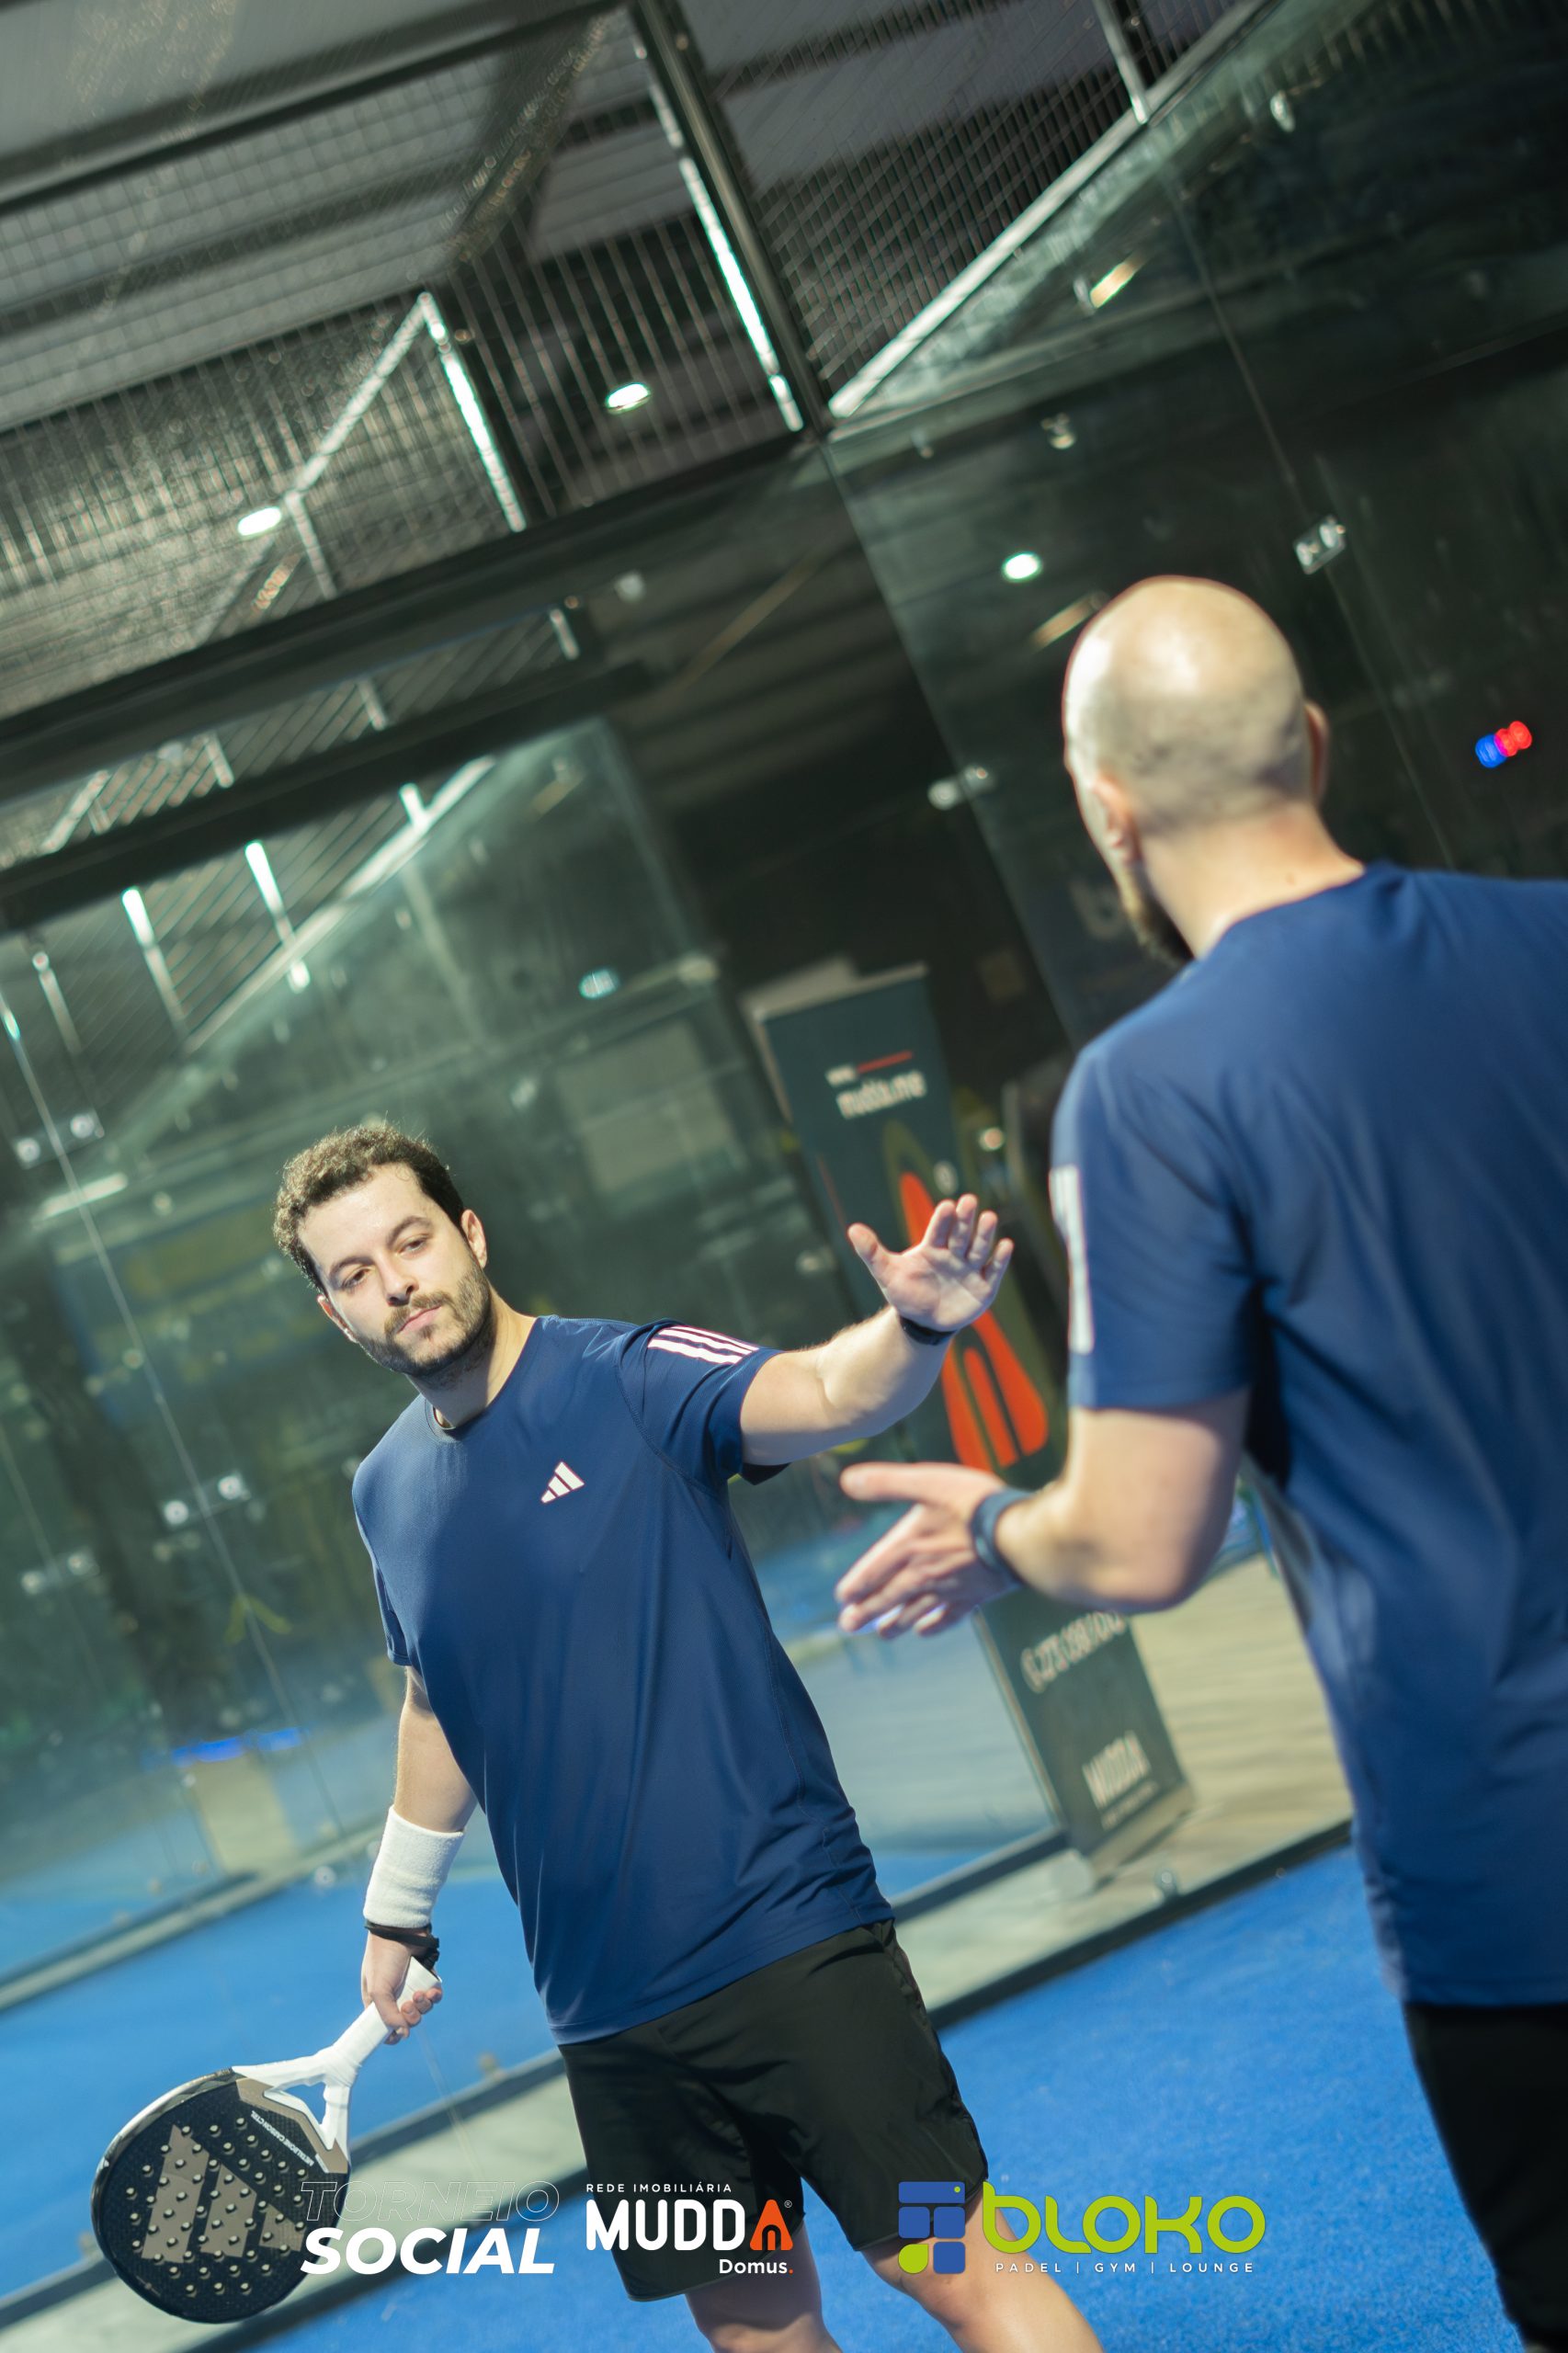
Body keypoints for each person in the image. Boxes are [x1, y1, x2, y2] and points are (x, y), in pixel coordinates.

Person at [833, 574, 1568, 2353]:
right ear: (1309, 742)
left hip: (1512, 1862)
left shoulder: (1151, 1091)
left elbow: (1140, 1537)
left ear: (1108, 813)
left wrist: (1000, 1525)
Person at [270, 1121, 1100, 2353]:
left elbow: (827, 1391)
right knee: (753, 2326)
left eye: (412, 1241)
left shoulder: (631, 1373)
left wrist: (916, 1328)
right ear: (336, 1314)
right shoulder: (383, 1490)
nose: (396, 1282)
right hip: (608, 2016)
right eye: (354, 1273)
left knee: (950, 2263)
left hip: (791, 1944)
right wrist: (397, 1911)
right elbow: (436, 1700)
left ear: (470, 1235)